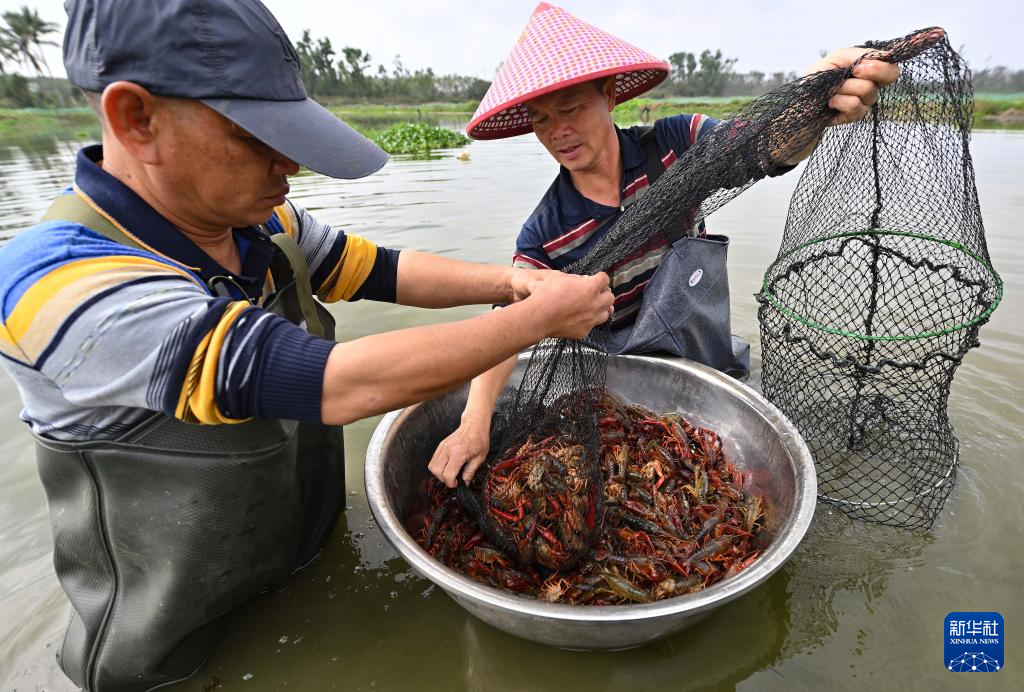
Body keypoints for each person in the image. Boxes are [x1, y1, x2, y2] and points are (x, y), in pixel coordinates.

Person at [0, 1, 614, 689]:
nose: (288, 162)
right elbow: (333, 383)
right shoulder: (56, 285)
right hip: (177, 648)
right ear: (136, 119)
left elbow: (377, 269)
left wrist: (513, 283)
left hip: (300, 553)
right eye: (258, 134)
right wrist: (536, 321)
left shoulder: (259, 219)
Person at [428, 2, 900, 488]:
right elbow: (505, 325)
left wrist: (815, 99)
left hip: (705, 358)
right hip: (614, 387)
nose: (558, 132)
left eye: (570, 109)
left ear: (608, 95)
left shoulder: (675, 145)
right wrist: (473, 423)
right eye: (542, 119)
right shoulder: (545, 232)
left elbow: (762, 146)